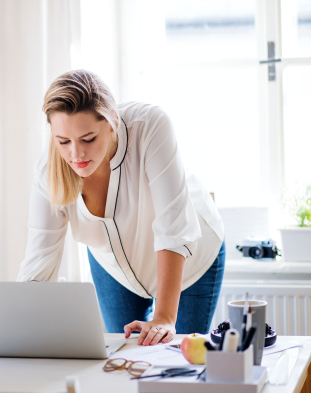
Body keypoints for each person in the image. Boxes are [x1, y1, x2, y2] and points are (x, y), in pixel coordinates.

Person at [17, 69, 225, 346]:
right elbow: (39, 261)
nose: (75, 155)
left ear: (113, 120)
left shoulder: (149, 125)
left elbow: (174, 229)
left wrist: (164, 317)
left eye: (88, 139)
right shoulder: (47, 172)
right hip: (113, 266)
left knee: (178, 361)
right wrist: (19, 327)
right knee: (121, 358)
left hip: (189, 261)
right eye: (63, 142)